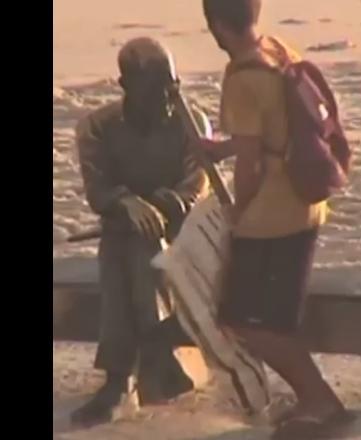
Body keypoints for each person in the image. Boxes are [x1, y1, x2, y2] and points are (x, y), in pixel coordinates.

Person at [199, 0, 351, 437]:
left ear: (215, 24)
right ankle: (314, 397)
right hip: (307, 199)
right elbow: (273, 133)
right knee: (270, 316)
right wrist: (224, 149)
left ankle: (318, 398)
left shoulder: (244, 76)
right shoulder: (280, 50)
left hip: (270, 215)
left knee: (246, 320)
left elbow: (250, 165)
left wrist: (237, 213)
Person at [71, 37, 212, 427]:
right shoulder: (98, 127)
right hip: (127, 236)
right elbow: (98, 192)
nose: (169, 98)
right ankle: (153, 357)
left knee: (131, 245)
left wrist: (154, 206)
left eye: (174, 86)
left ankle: (120, 379)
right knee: (130, 244)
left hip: (183, 238)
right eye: (156, 90)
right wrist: (127, 203)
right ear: (125, 86)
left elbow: (195, 189)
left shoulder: (190, 122)